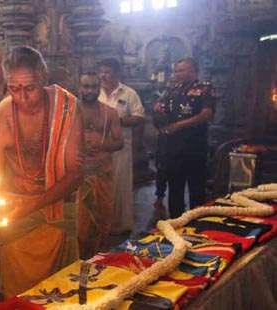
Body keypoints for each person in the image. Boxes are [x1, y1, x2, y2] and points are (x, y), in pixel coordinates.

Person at [0, 46, 83, 298]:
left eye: (30, 89)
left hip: (57, 212)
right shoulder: (3, 114)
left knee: (62, 295)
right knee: (20, 296)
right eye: (14, 89)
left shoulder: (68, 107)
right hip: (17, 217)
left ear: (44, 80)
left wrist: (33, 205)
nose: (22, 98)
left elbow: (75, 173)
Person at [153, 58, 215, 218]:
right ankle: (176, 221)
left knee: (196, 188)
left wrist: (181, 125)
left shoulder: (204, 89)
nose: (178, 74)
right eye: (177, 71)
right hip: (174, 147)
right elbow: (163, 108)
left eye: (182, 70)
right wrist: (159, 108)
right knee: (175, 188)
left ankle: (197, 223)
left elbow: (207, 114)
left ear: (193, 71)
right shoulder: (173, 90)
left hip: (195, 147)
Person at [76, 72, 123, 259]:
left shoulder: (109, 112)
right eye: (86, 86)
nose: (90, 91)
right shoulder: (71, 110)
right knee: (80, 223)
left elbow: (119, 142)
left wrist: (101, 145)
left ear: (99, 88)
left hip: (102, 173)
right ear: (79, 87)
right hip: (77, 176)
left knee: (102, 219)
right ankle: (79, 259)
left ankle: (99, 257)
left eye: (94, 87)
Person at [98, 58, 145, 234]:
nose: (103, 75)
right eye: (101, 72)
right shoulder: (94, 92)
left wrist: (118, 121)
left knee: (119, 184)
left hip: (120, 147)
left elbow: (140, 117)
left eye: (107, 72)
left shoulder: (128, 94)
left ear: (117, 73)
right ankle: (101, 224)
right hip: (98, 148)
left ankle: (120, 224)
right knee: (100, 185)